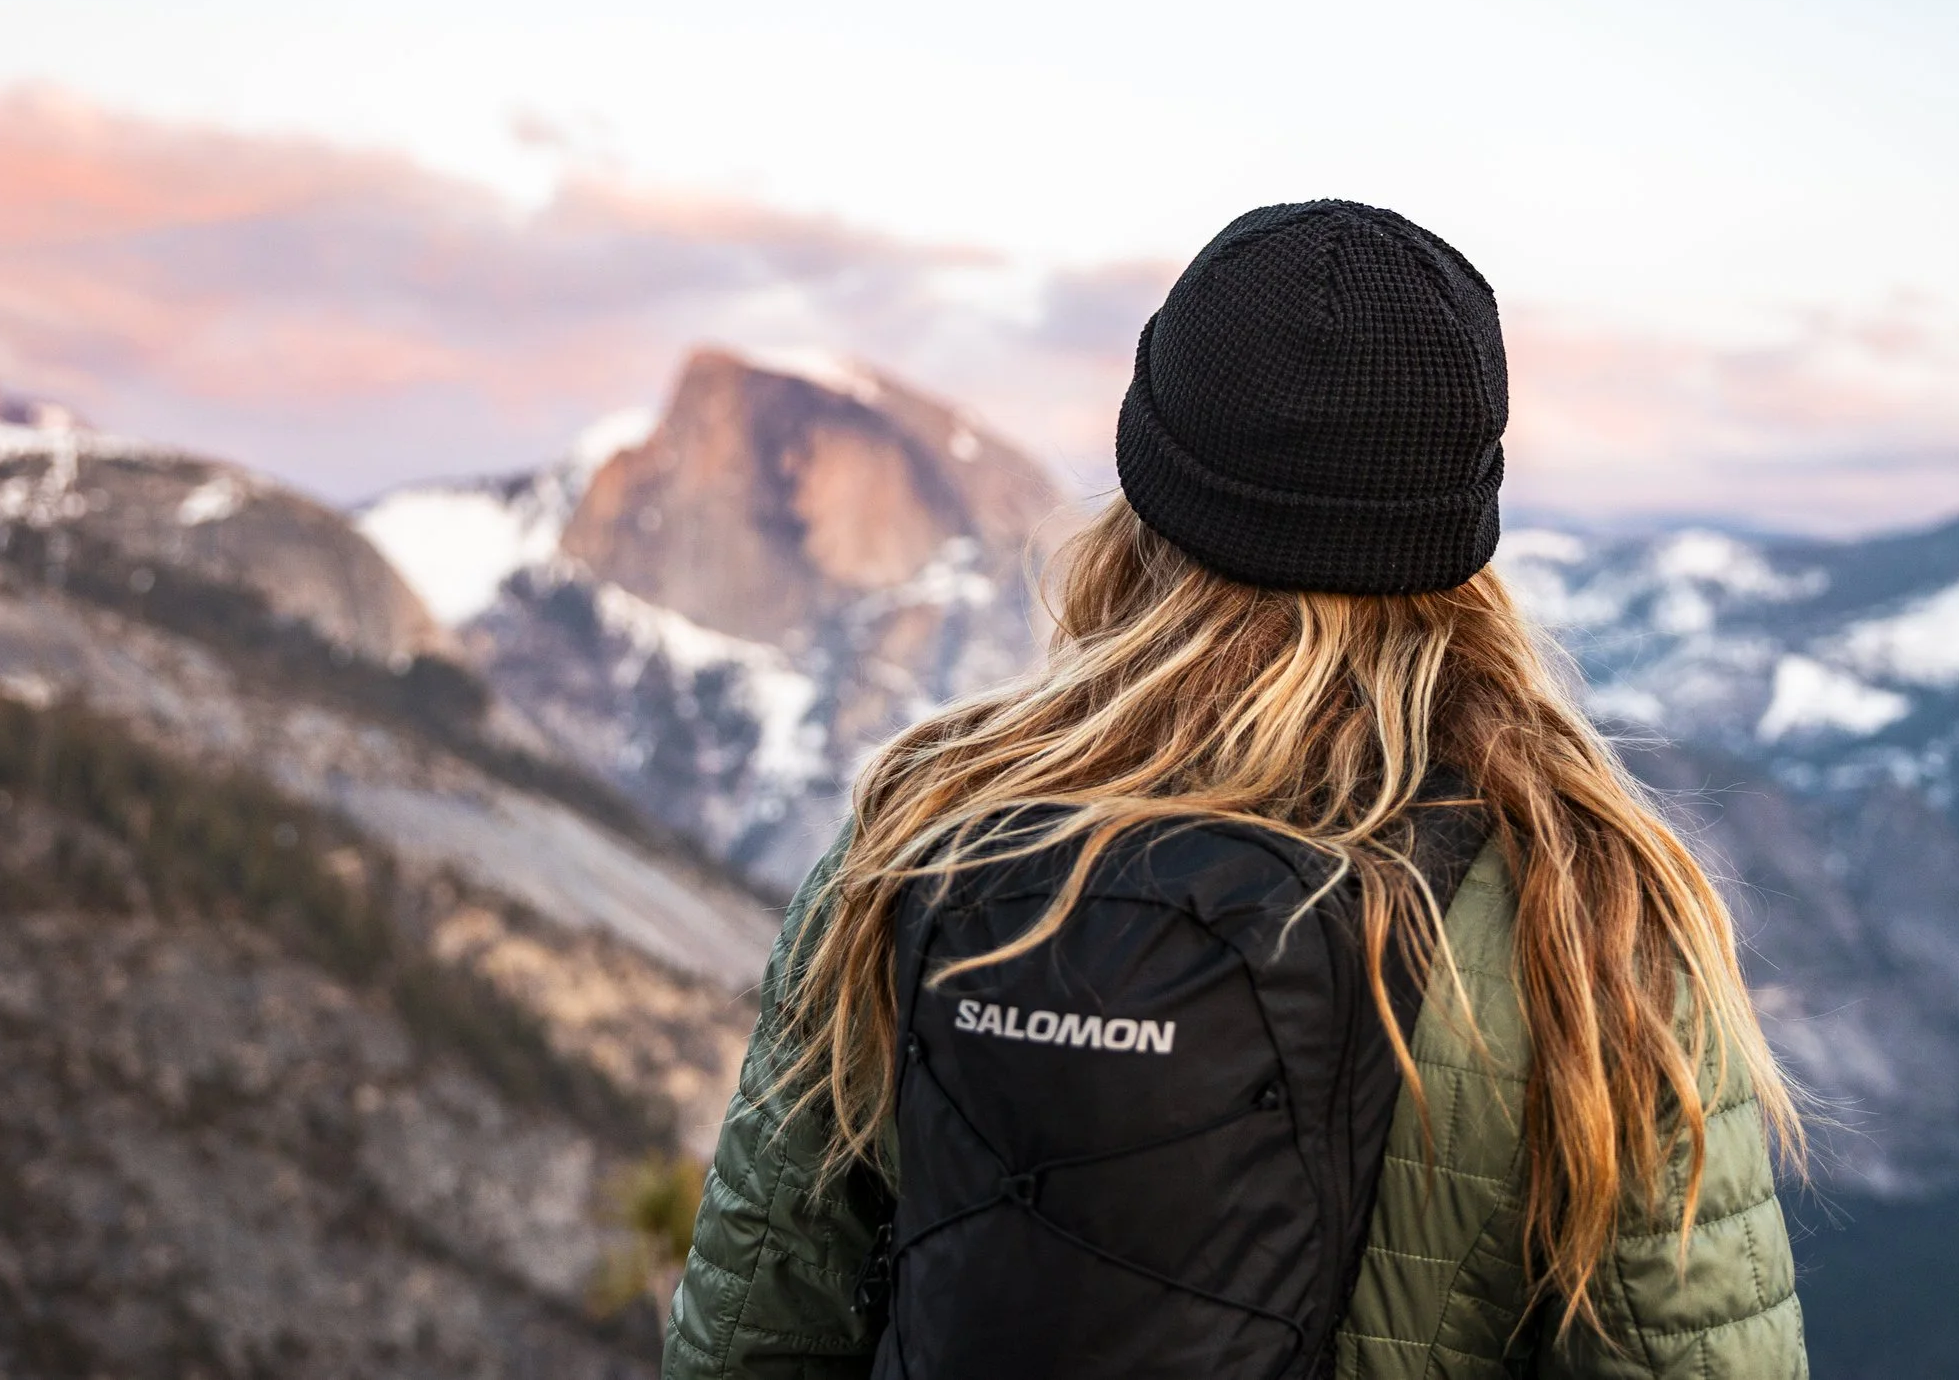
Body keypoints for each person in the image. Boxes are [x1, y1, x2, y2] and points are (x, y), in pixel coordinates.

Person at [664, 200, 1807, 1379]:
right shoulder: (1582, 904)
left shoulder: (919, 833)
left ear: (1148, 487)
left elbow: (751, 1331)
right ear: (1458, 517)